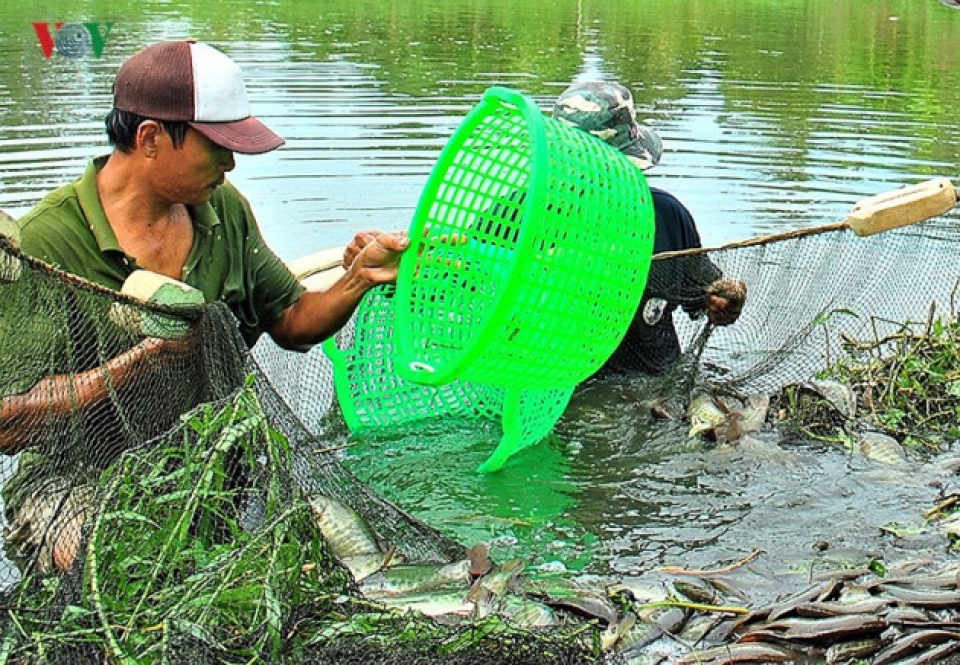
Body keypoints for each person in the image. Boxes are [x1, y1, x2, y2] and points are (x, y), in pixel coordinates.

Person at [5, 39, 410, 573]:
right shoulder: (48, 242)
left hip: (209, 469)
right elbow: (10, 421)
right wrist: (140, 362)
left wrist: (358, 279)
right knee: (111, 574)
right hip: (74, 480)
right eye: (216, 145)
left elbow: (292, 323)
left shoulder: (222, 211)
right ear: (150, 139)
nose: (231, 162)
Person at [552, 80, 746, 376]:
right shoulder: (524, 215)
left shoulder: (665, 215)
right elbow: (467, 276)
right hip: (554, 384)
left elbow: (705, 296)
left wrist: (726, 298)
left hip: (646, 380)